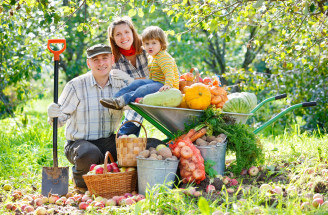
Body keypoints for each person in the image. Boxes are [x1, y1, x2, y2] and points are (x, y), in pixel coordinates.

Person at [47, 44, 162, 192]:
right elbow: (59, 122)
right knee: (89, 153)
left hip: (108, 140)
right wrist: (53, 114)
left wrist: (132, 81)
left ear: (112, 60)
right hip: (79, 144)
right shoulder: (76, 86)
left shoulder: (121, 85)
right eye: (95, 60)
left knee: (151, 144)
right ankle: (82, 184)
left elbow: (145, 93)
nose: (101, 63)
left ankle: (116, 176)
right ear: (89, 63)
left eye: (105, 58)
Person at [100, 25, 179, 110]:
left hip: (166, 86)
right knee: (136, 83)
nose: (150, 46)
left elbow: (169, 72)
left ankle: (122, 101)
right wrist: (147, 81)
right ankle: (114, 99)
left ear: (161, 44)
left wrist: (168, 84)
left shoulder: (163, 57)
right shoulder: (152, 56)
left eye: (154, 43)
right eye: (147, 44)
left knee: (144, 89)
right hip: (155, 82)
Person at [100, 16, 149, 137]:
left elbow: (158, 77)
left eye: (127, 32)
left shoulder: (147, 50)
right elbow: (122, 89)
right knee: (137, 103)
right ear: (113, 39)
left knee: (139, 99)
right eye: (118, 34)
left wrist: (130, 80)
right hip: (135, 102)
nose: (124, 37)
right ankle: (125, 140)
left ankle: (123, 135)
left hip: (160, 91)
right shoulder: (114, 61)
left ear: (133, 32)